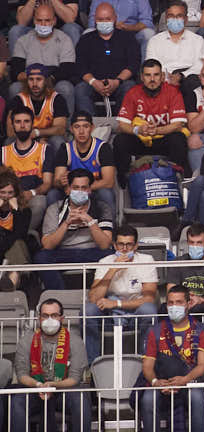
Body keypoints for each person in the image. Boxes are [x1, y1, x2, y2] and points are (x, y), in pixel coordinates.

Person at [137, 286, 204, 432]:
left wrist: (184, 380)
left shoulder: (201, 329)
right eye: (170, 303)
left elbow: (203, 365)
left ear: (189, 304)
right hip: (162, 384)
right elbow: (147, 366)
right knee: (148, 399)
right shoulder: (154, 331)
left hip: (191, 382)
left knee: (197, 398)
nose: (174, 307)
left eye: (179, 302)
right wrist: (155, 382)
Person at [11, 298, 89, 432]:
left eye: (54, 315)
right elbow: (22, 374)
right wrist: (38, 385)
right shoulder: (27, 340)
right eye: (45, 316)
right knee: (17, 402)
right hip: (34, 389)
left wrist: (52, 385)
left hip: (64, 391)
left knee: (80, 400)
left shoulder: (75, 341)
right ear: (38, 318)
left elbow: (74, 378)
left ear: (62, 318)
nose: (49, 320)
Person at [86, 225, 159, 362]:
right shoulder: (105, 262)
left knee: (149, 310)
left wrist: (116, 303)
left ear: (136, 246)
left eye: (129, 245)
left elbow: (149, 299)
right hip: (110, 315)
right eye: (120, 244)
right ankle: (92, 365)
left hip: (135, 312)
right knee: (88, 310)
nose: (124, 249)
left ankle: (148, 362)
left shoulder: (146, 260)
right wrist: (112, 269)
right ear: (114, 245)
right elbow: (94, 298)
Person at [33, 166, 114, 289]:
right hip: (64, 253)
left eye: (84, 188)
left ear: (90, 190)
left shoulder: (102, 208)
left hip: (93, 252)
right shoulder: (55, 209)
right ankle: (59, 296)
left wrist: (90, 222)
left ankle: (99, 295)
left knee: (111, 256)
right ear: (68, 189)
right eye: (75, 188)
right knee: (41, 257)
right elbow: (47, 245)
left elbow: (105, 244)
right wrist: (66, 224)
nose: (80, 191)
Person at [113, 59, 189, 184]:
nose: (152, 79)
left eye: (156, 75)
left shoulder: (173, 92)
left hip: (163, 139)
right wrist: (138, 130)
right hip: (141, 139)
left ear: (162, 76)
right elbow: (122, 124)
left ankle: (177, 178)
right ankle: (125, 182)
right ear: (142, 77)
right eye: (148, 75)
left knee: (178, 138)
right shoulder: (133, 92)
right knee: (120, 140)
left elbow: (177, 124)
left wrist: (157, 130)